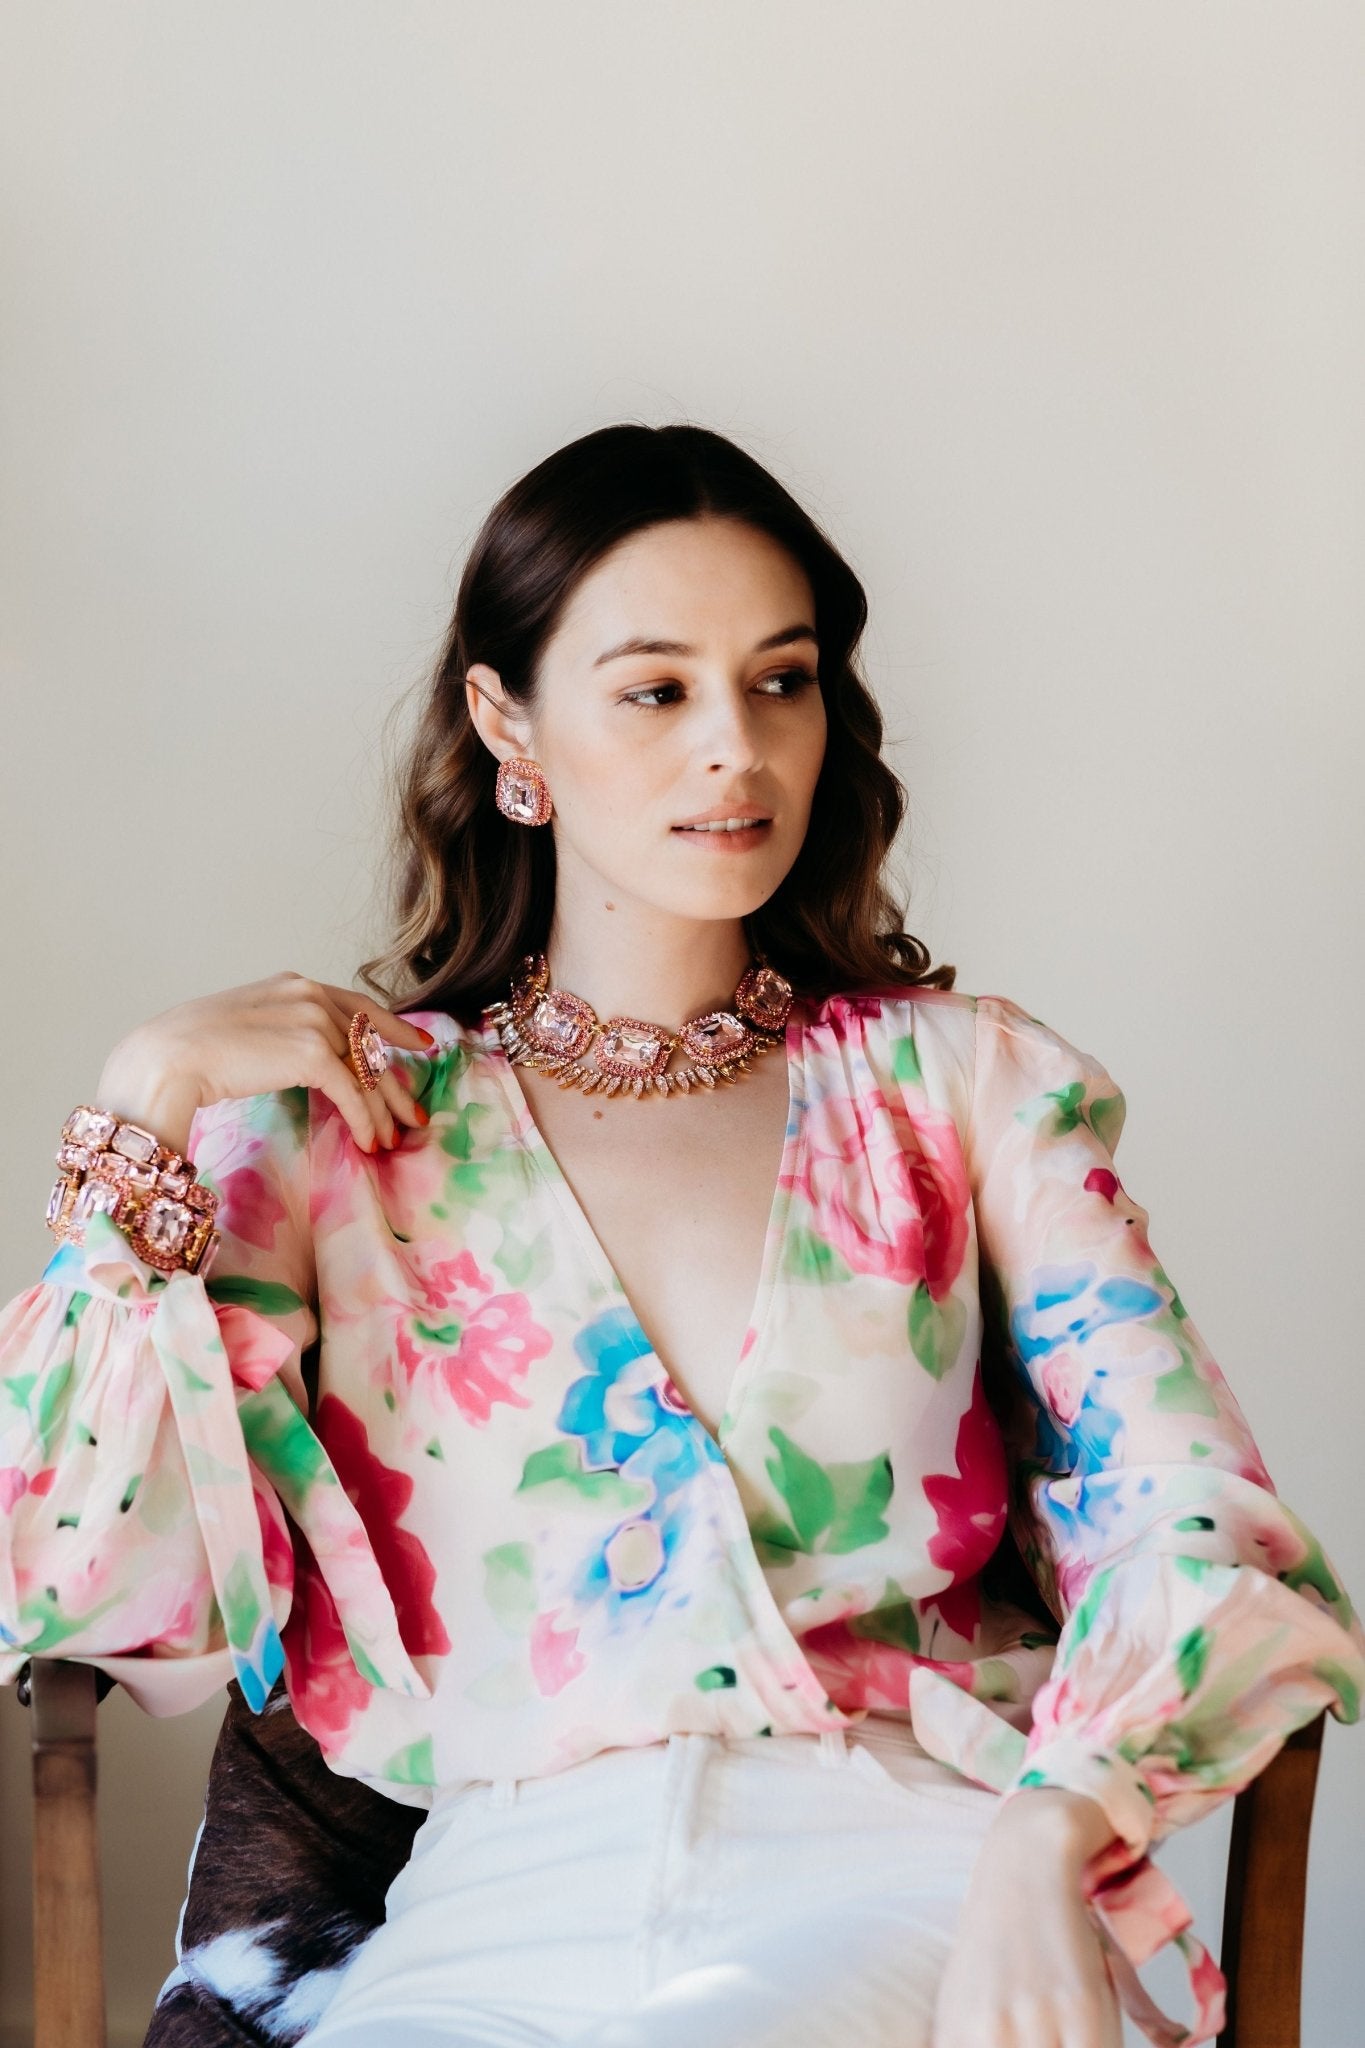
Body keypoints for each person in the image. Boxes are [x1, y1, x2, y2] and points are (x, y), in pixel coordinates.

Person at [2, 423, 1361, 2048]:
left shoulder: (960, 1091)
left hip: (911, 1876)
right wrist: (143, 1106)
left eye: (780, 681)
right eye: (655, 690)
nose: (737, 746)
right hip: (489, 1915)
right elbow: (77, 1591)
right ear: (507, 723)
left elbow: (1204, 1532)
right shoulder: (336, 1135)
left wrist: (1048, 1832)